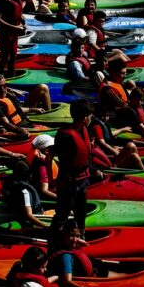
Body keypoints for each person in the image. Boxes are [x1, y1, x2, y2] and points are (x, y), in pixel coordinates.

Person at [51, 101, 93, 236]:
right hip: (69, 182)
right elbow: (63, 160)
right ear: (85, 118)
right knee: (63, 212)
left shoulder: (84, 130)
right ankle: (54, 236)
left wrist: (93, 170)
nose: (91, 119)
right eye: (90, 116)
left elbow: (85, 155)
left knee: (81, 211)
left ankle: (81, 234)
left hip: (83, 179)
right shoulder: (65, 135)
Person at [46, 219, 99, 287]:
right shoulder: (65, 256)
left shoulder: (57, 243)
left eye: (77, 236)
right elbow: (67, 282)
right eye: (71, 236)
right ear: (63, 234)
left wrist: (76, 240)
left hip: (94, 270)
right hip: (92, 279)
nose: (75, 240)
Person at [0, 160, 49, 228]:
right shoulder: (25, 191)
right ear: (30, 175)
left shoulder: (10, 182)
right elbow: (28, 215)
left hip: (16, 209)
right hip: (30, 218)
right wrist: (46, 226)